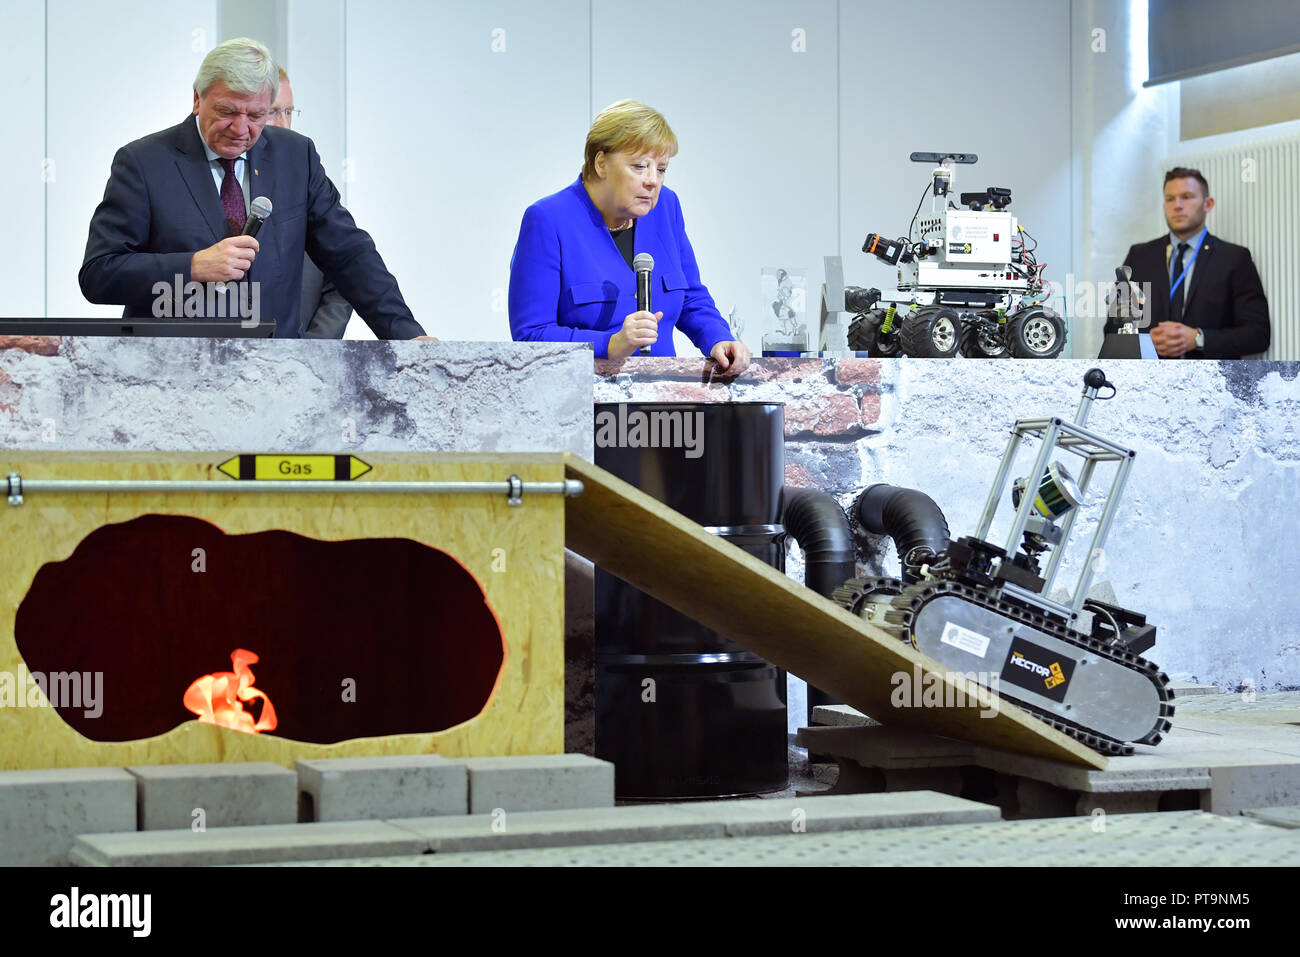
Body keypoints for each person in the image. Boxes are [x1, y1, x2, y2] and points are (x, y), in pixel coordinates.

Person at [79, 37, 425, 339]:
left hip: (278, 374)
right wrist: (193, 267)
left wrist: (408, 336)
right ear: (198, 99)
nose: (241, 129)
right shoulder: (144, 162)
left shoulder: (296, 156)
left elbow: (349, 254)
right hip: (175, 376)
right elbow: (99, 274)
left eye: (257, 115)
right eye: (227, 111)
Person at [508, 99, 750, 372]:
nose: (652, 180)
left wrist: (719, 338)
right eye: (639, 166)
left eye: (661, 169)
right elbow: (531, 335)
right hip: (584, 404)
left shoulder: (666, 207)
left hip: (664, 404)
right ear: (601, 163)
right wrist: (609, 344)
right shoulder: (548, 220)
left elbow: (691, 297)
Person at [1106, 167, 1269, 358]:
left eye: (1187, 196)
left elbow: (1258, 334)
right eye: (1170, 199)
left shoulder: (1234, 258)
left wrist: (1199, 338)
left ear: (1208, 204)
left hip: (1210, 382)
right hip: (1150, 379)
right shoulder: (1140, 256)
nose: (1178, 205)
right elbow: (1113, 328)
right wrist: (1147, 342)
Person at [267, 66, 354, 339]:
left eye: (288, 112)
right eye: (272, 111)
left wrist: (314, 351)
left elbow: (343, 274)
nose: (283, 123)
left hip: (305, 362)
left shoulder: (305, 176)